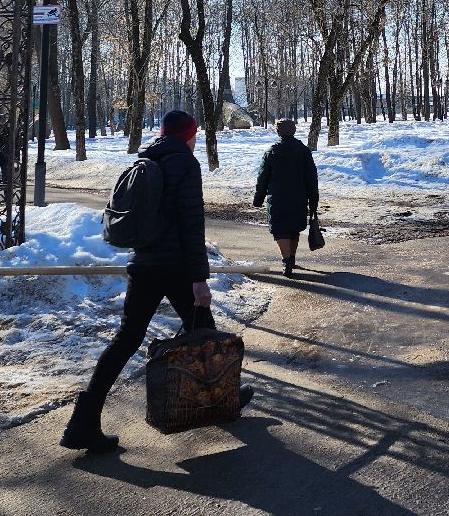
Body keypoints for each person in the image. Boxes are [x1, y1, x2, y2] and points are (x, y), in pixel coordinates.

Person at [61, 109, 252, 453]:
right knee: (204, 332)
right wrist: (199, 279)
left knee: (127, 339)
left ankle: (83, 421)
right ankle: (224, 396)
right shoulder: (185, 164)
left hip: (144, 264)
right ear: (190, 135)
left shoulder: (145, 162)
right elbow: (192, 225)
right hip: (176, 268)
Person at [252, 118, 319, 278]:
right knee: (293, 229)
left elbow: (263, 177)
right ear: (294, 130)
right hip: (298, 197)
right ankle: (292, 258)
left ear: (278, 131)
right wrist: (313, 199)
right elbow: (311, 177)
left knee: (280, 231)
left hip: (277, 198)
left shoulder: (271, 151)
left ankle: (286, 260)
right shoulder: (303, 151)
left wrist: (258, 198)